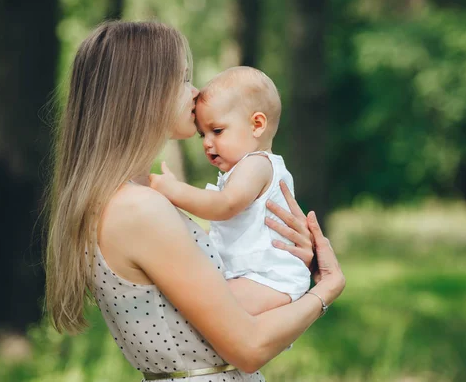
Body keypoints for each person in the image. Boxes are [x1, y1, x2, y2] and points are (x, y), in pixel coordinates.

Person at [45, 21, 345, 382]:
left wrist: (274, 258)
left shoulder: (117, 201)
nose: (196, 91)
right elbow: (249, 348)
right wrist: (326, 288)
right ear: (143, 93)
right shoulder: (139, 208)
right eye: (183, 79)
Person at [150, 66, 309, 316]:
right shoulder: (243, 169)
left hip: (269, 279)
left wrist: (173, 190)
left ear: (257, 124)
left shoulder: (258, 164)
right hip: (250, 275)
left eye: (217, 131)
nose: (207, 143)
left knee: (209, 311)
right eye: (202, 134)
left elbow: (224, 205)